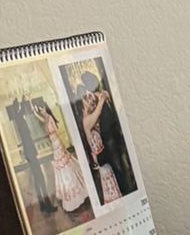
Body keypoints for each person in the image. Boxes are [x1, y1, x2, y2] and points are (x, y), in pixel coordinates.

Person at [72, 69, 136, 204]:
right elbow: (98, 112)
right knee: (117, 171)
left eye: (88, 96)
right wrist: (101, 97)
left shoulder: (91, 111)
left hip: (107, 147)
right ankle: (125, 196)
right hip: (104, 151)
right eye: (85, 98)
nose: (89, 99)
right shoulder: (87, 119)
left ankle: (123, 196)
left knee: (116, 174)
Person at [34, 99, 91, 215]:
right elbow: (41, 119)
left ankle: (77, 192)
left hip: (57, 145)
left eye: (42, 109)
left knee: (65, 167)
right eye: (40, 110)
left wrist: (58, 145)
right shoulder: (45, 118)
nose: (41, 111)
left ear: (45, 108)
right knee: (63, 168)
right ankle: (73, 193)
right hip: (55, 145)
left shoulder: (49, 118)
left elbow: (54, 130)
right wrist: (35, 112)